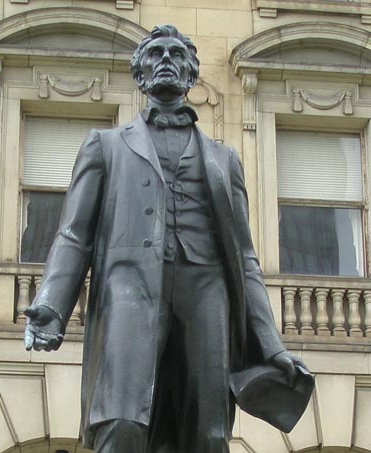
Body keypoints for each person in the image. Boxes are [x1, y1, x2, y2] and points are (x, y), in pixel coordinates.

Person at [24, 24, 308, 453]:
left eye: (177, 54)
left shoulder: (223, 159)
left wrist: (270, 344)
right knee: (121, 420)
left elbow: (245, 258)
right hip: (129, 287)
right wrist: (50, 305)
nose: (166, 61)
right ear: (139, 74)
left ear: (192, 74)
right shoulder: (105, 146)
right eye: (155, 53)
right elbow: (73, 232)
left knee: (209, 431)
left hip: (206, 289)